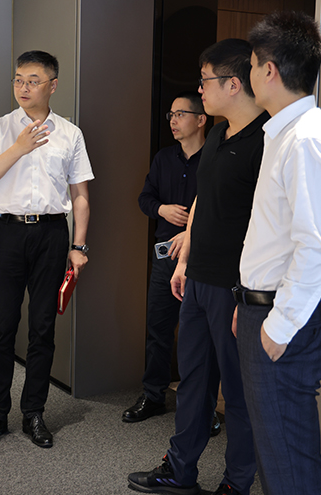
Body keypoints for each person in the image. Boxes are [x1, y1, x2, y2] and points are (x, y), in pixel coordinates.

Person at [128, 39, 268, 495]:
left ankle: (236, 483)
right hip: (198, 281)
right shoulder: (218, 137)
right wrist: (184, 260)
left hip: (235, 288)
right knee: (192, 381)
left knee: (239, 392)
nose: (201, 90)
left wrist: (248, 295)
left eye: (206, 81)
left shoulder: (266, 140)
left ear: (233, 83)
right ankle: (179, 469)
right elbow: (201, 205)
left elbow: (268, 226)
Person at [233, 11, 321, 495]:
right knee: (276, 457)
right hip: (263, 309)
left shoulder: (307, 140)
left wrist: (278, 324)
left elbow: (316, 248)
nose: (249, 74)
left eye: (251, 65)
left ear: (269, 70)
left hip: (282, 320)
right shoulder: (284, 134)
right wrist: (247, 299)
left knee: (289, 467)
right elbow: (275, 237)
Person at [0, 50, 93, 449]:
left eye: (33, 81)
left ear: (52, 85)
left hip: (52, 233)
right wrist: (19, 147)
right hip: (8, 232)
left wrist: (78, 245)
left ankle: (34, 412)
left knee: (43, 327)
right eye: (18, 80)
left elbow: (80, 196)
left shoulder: (70, 133)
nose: (23, 87)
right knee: (3, 326)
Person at [124, 92, 216, 433]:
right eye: (171, 115)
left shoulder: (215, 157)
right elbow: (144, 198)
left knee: (201, 336)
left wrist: (192, 229)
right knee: (158, 328)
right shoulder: (164, 158)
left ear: (201, 119)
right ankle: (153, 395)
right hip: (165, 256)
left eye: (181, 114)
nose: (173, 121)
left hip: (202, 257)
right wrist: (162, 209)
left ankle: (203, 407)